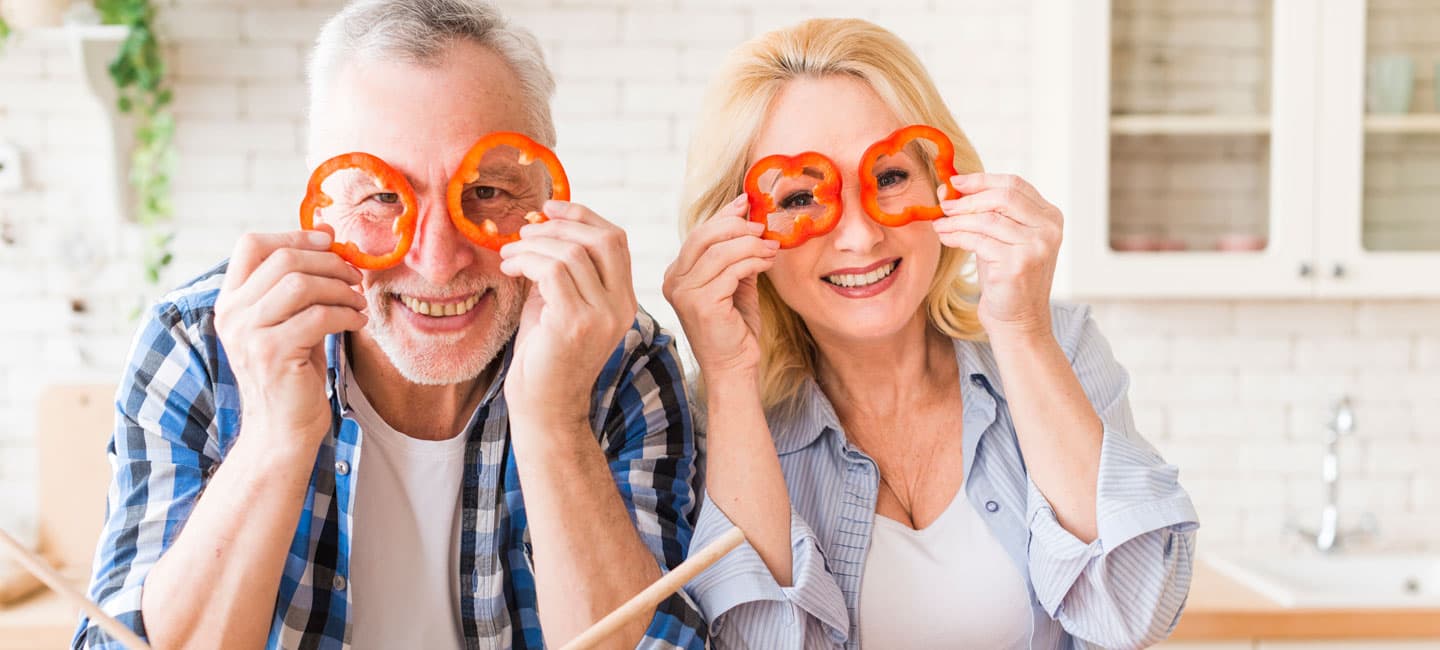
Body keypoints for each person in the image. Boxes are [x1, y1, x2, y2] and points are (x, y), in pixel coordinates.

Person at [75, 1, 704, 648]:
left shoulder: (616, 354)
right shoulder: (200, 343)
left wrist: (553, 421)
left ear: (547, 200)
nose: (437, 262)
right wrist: (273, 435)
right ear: (323, 206)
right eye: (381, 196)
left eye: (487, 191)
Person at [665, 18, 1198, 649]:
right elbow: (758, 643)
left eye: (890, 178)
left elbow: (1134, 610)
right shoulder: (705, 420)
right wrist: (728, 379)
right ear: (740, 231)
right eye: (803, 199)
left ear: (947, 187)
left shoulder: (1058, 342)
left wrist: (1021, 330)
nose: (861, 236)